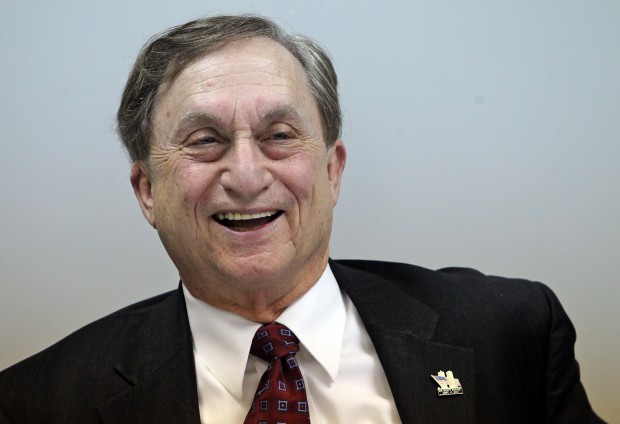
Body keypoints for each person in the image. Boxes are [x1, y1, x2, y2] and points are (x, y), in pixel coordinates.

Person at [0, 14, 604, 424]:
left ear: (332, 171)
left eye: (280, 135)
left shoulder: (511, 333)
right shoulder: (35, 403)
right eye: (205, 140)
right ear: (147, 191)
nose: (246, 174)